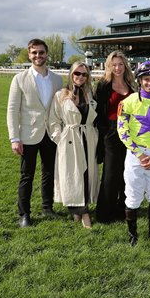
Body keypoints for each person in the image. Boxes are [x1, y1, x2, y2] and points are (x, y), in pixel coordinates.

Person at [7, 38, 63, 227]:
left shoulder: (57, 79)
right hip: (28, 135)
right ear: (30, 55)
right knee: (27, 175)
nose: (38, 56)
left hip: (51, 133)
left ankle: (47, 208)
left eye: (41, 52)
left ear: (47, 54)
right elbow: (12, 109)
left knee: (49, 173)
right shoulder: (19, 79)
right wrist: (15, 138)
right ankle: (24, 214)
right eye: (34, 53)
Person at [117, 61, 150, 246]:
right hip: (135, 156)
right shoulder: (127, 102)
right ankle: (133, 234)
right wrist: (139, 155)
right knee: (132, 194)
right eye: (146, 79)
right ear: (140, 81)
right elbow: (122, 131)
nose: (149, 83)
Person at [48, 62, 100, 228]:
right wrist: (60, 138)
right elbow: (53, 120)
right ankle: (84, 214)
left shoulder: (90, 94)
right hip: (70, 140)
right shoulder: (61, 95)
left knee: (85, 175)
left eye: (84, 74)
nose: (80, 77)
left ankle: (78, 211)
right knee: (72, 176)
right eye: (77, 73)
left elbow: (96, 117)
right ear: (71, 74)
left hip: (88, 138)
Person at [94, 51, 137, 223]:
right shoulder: (103, 85)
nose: (117, 68)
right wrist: (104, 132)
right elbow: (98, 111)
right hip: (110, 132)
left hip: (130, 132)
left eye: (120, 64)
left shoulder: (132, 85)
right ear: (109, 66)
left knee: (127, 172)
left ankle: (123, 209)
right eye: (114, 65)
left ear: (125, 65)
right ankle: (105, 213)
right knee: (111, 173)